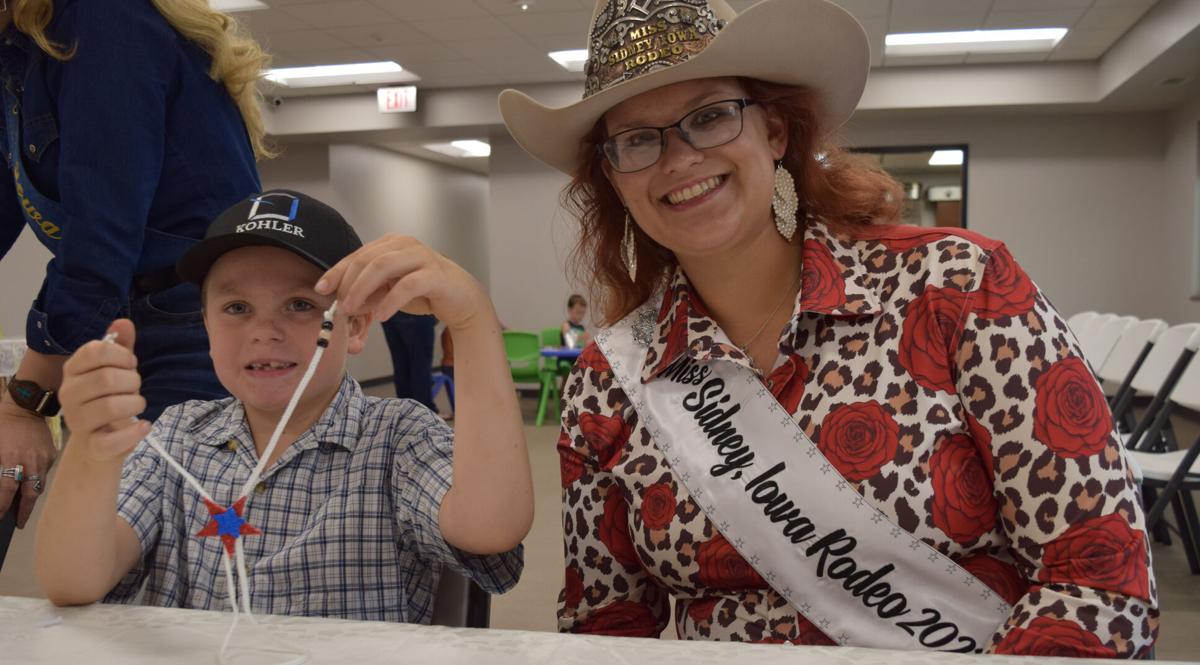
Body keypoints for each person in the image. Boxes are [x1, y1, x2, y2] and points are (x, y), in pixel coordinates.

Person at [499, 0, 1157, 656]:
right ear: (614, 177)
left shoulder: (956, 286)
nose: (678, 159)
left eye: (709, 116)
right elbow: (605, 626)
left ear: (777, 131)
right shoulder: (609, 381)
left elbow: (1099, 577)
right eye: (639, 138)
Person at [33, 190, 533, 623]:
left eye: (300, 305)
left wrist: (470, 318)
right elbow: (72, 581)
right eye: (236, 308)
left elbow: (492, 527)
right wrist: (90, 454)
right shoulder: (177, 434)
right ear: (205, 326)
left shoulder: (398, 438)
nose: (263, 331)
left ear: (355, 326)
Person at [0, 0, 266, 534]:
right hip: (133, 319)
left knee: (176, 560)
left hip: (195, 328)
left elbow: (101, 234)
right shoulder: (19, 51)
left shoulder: (102, 17)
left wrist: (26, 403)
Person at [380, 311, 437, 409]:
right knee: (421, 365)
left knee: (400, 364)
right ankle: (425, 410)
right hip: (416, 311)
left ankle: (406, 411)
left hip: (389, 313)